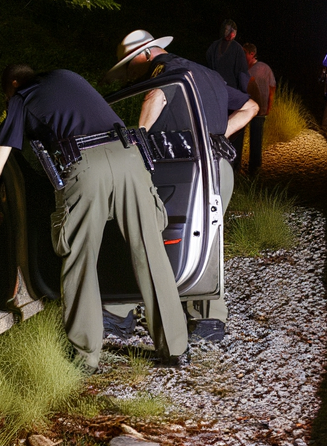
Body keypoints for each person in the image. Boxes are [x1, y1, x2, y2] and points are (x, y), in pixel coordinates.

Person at [0, 64, 187, 369]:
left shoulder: (20, 98)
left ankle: (86, 357)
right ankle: (176, 349)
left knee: (80, 261)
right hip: (130, 156)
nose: (8, 103)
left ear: (14, 84)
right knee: (151, 252)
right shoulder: (66, 76)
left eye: (6, 96)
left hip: (86, 167)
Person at [106, 29, 258, 341]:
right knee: (208, 236)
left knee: (144, 231)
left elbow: (157, 95)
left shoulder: (165, 69)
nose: (129, 73)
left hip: (177, 166)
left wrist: (135, 146)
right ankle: (209, 320)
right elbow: (252, 107)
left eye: (130, 64)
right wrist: (214, 137)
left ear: (146, 54)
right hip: (217, 167)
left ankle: (122, 311)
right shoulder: (207, 74)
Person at [206, 19, 250, 165]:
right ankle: (231, 164)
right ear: (234, 33)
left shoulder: (213, 47)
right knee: (233, 130)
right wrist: (244, 94)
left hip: (215, 93)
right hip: (230, 96)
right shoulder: (237, 49)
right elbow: (242, 74)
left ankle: (217, 161)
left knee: (217, 128)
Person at [243, 43, 276, 176]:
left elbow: (272, 87)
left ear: (252, 54)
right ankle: (238, 165)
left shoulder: (263, 68)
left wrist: (268, 106)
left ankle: (254, 168)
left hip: (259, 109)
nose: (243, 55)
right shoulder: (244, 68)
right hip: (244, 108)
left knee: (256, 138)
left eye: (244, 52)